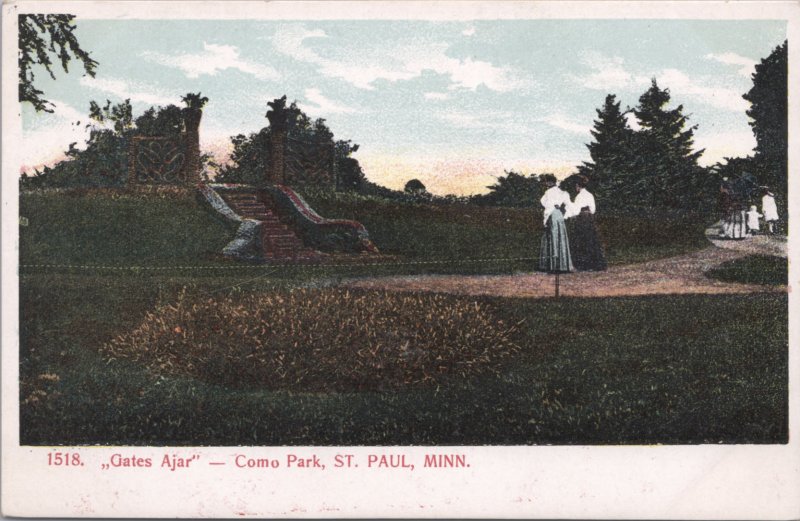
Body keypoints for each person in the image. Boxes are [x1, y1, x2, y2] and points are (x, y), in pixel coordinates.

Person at [568, 176, 607, 271]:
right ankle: (596, 265)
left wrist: (571, 215)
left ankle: (585, 266)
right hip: (590, 218)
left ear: (578, 186)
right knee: (592, 240)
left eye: (576, 186)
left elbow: (576, 211)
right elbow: (593, 210)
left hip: (582, 219)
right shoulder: (590, 195)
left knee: (582, 241)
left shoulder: (579, 197)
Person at [537, 174, 573, 273]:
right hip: (559, 215)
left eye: (546, 182)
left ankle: (552, 265)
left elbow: (546, 204)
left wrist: (545, 218)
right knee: (560, 238)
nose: (546, 184)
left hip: (552, 215)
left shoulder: (548, 192)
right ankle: (563, 265)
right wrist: (565, 215)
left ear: (549, 182)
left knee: (552, 237)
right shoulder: (562, 192)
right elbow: (568, 205)